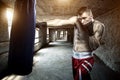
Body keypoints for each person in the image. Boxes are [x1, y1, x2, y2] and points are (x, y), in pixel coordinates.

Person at [72, 7, 105, 80]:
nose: (82, 21)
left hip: (86, 58)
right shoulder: (79, 22)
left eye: (84, 18)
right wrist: (44, 23)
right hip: (75, 56)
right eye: (80, 19)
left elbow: (94, 46)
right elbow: (60, 22)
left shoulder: (98, 25)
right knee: (80, 77)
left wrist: (89, 31)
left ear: (91, 16)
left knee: (79, 78)